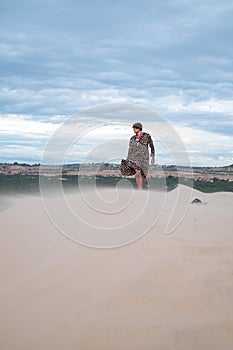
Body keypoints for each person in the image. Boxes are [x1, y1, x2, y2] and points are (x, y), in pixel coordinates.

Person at [121, 122, 155, 190]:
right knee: (138, 173)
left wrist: (153, 157)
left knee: (144, 175)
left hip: (144, 158)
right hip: (134, 158)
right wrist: (128, 158)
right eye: (133, 128)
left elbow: (152, 146)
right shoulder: (132, 138)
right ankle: (140, 190)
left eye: (135, 128)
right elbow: (130, 149)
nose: (134, 129)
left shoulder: (146, 136)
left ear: (139, 128)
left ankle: (140, 188)